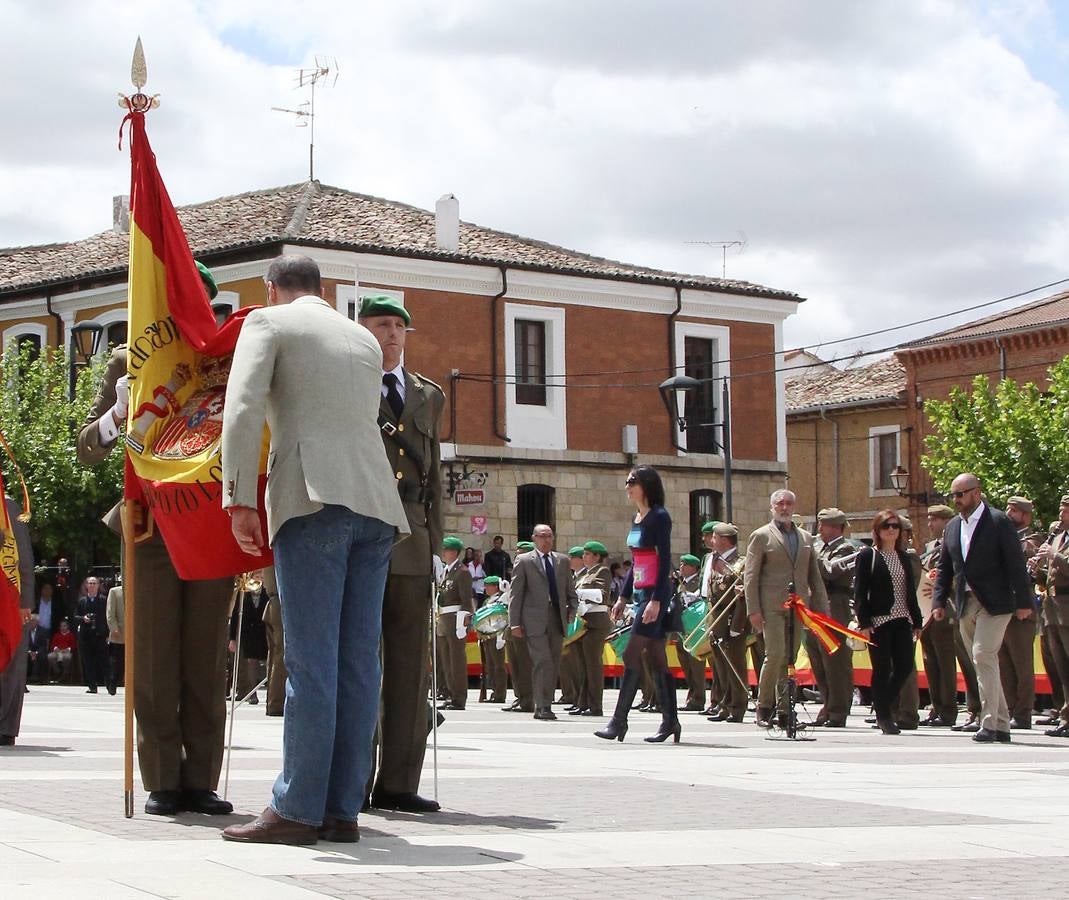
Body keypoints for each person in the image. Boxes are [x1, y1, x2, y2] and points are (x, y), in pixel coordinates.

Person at [220, 254, 409, 844]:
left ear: (271, 290)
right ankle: (339, 808)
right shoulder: (363, 338)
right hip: (377, 503)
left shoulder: (267, 323)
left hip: (311, 497)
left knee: (309, 659)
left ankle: (297, 807)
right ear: (322, 290)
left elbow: (244, 405)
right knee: (357, 662)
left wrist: (238, 497)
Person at [77, 261, 234, 816]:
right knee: (152, 656)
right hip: (149, 525)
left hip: (209, 523)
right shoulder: (128, 361)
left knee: (204, 657)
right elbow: (86, 448)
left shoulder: (224, 361)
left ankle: (202, 779)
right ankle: (163, 778)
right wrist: (117, 416)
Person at [358, 294, 445, 812]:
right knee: (362, 660)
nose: (391, 334)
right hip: (363, 526)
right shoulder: (348, 383)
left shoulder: (427, 395)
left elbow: (434, 476)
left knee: (412, 666)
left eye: (398, 326)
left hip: (412, 535)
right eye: (381, 324)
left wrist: (436, 540)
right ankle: (355, 777)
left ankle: (399, 783)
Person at [932, 473, 1033, 744]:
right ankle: (1001, 724)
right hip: (965, 603)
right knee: (981, 662)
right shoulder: (953, 527)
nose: (956, 500)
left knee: (982, 655)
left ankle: (989, 723)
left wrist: (1024, 602)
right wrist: (938, 602)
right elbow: (945, 567)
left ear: (976, 493)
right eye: (952, 495)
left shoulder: (998, 522)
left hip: (995, 603)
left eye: (960, 494)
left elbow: (1015, 564)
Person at [596, 466, 678, 743]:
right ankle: (671, 722)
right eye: (627, 481)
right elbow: (636, 564)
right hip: (642, 593)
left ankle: (619, 722)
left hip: (655, 594)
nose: (627, 486)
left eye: (633, 482)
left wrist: (656, 599)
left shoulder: (660, 517)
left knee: (631, 654)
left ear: (647, 485)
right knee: (656, 658)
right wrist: (622, 597)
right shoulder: (637, 517)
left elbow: (664, 560)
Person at [744, 489, 828, 728]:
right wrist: (754, 610)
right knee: (776, 654)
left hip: (798, 606)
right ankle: (763, 706)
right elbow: (751, 576)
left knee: (790, 658)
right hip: (771, 605)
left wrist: (822, 611)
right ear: (772, 507)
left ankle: (785, 710)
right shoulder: (761, 536)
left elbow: (815, 577)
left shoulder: (805, 538)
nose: (784, 507)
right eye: (779, 504)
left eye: (788, 503)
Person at [854, 510, 923, 735]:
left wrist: (917, 620)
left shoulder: (904, 556)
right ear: (878, 531)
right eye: (886, 526)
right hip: (879, 620)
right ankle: (884, 716)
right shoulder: (868, 555)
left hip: (902, 618)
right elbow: (860, 591)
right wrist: (864, 622)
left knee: (904, 666)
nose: (891, 530)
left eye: (895, 526)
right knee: (881, 669)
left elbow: (910, 590)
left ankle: (882, 704)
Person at [510, 524, 578, 721]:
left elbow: (570, 589)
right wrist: (514, 622)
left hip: (557, 618)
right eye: (542, 536)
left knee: (554, 662)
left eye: (550, 536)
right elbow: (516, 593)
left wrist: (572, 610)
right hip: (533, 620)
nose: (547, 540)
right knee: (542, 661)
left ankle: (545, 702)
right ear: (534, 538)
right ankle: (542, 706)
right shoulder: (524, 561)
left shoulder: (562, 561)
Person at [918, 505, 967, 727]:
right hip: (928, 611)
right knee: (931, 661)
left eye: (935, 520)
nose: (930, 524)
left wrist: (942, 586)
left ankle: (948, 709)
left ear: (947, 521)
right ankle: (936, 707)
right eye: (929, 519)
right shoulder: (930, 546)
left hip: (946, 608)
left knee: (946, 663)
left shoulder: (956, 542)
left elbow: (958, 573)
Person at [809, 508, 858, 727]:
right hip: (815, 607)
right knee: (818, 660)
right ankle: (827, 704)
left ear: (837, 527)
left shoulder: (846, 548)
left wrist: (811, 554)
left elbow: (831, 572)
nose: (819, 529)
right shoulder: (819, 546)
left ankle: (838, 710)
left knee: (835, 663)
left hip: (835, 608)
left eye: (824, 525)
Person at [999, 496, 1043, 729]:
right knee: (1004, 664)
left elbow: (1025, 559)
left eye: (1013, 511)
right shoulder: (1005, 537)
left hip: (1022, 611)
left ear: (1025, 516)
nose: (1008, 514)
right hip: (1003, 609)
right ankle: (1008, 709)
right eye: (1007, 509)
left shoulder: (1031, 538)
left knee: (1021, 665)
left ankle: (1023, 713)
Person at [1031, 494, 1069, 737]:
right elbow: (1052, 573)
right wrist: (1039, 569)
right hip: (1052, 606)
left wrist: (1055, 556)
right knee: (1060, 665)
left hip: (1067, 604)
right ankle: (1065, 715)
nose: (1061, 512)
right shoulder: (1058, 537)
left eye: (1065, 508)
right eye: (1061, 507)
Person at [705, 523, 749, 723]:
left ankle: (737, 706)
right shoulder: (715, 560)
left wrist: (737, 625)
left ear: (723, 539)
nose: (710, 541)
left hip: (732, 618)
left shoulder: (740, 562)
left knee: (734, 664)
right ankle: (724, 703)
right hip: (717, 618)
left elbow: (742, 596)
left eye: (713, 537)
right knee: (721, 665)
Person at [0, 493, 34, 746]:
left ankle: (6, 726)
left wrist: (25, 604)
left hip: (9, 596)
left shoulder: (8, 506)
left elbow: (23, 558)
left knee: (11, 663)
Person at [571, 541, 613, 717]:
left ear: (597, 556)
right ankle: (583, 703)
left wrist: (579, 594)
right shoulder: (584, 575)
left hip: (596, 622)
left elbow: (601, 595)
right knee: (582, 666)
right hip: (583, 622)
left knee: (593, 666)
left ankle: (596, 706)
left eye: (588, 554)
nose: (584, 557)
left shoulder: (602, 571)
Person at [435, 536, 474, 711]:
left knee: (456, 661)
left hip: (455, 620)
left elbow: (466, 600)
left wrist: (463, 623)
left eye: (446, 549)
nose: (443, 552)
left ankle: (459, 698)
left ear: (454, 552)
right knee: (446, 661)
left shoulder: (462, 572)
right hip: (443, 620)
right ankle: (451, 694)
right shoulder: (446, 571)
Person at [672, 554, 708, 713]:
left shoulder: (697, 581)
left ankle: (698, 698)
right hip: (682, 628)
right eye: (681, 564)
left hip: (694, 627)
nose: (682, 567)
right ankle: (691, 695)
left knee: (695, 665)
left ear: (694, 567)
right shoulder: (681, 583)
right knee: (686, 665)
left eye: (685, 565)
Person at [503, 541, 535, 713]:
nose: (517, 558)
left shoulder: (533, 575)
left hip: (524, 624)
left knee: (524, 664)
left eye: (521, 554)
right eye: (517, 554)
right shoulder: (517, 573)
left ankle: (528, 700)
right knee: (514, 665)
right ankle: (520, 697)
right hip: (512, 625)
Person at [228, 583, 268, 705]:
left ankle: (272, 694)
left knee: (269, 663)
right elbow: (236, 615)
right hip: (249, 634)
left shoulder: (268, 592)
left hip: (264, 632)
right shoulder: (244, 592)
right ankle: (252, 694)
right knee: (251, 662)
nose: (258, 577)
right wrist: (232, 638)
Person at [560, 546, 587, 711]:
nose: (570, 560)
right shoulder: (574, 576)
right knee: (571, 664)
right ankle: (576, 698)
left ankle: (581, 699)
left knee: (578, 663)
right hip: (572, 624)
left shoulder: (587, 575)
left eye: (573, 557)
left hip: (582, 624)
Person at [74, 577, 111, 695]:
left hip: (100, 635)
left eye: (94, 583)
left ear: (98, 585)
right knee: (88, 661)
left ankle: (109, 685)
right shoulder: (82, 601)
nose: (92, 585)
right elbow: (75, 616)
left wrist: (107, 633)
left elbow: (108, 617)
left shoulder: (104, 600)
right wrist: (83, 618)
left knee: (104, 661)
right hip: (86, 636)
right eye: (90, 583)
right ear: (86, 586)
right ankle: (92, 686)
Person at [260, 567, 286, 717]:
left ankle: (274, 702)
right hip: (280, 600)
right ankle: (277, 703)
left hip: (273, 600)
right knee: (282, 654)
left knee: (276, 654)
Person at [479, 576, 508, 703]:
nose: (486, 588)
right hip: (487, 636)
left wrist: (501, 637)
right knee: (490, 666)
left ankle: (500, 694)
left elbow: (502, 618)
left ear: (495, 587)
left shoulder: (500, 600)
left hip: (496, 635)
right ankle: (494, 691)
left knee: (498, 666)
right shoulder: (487, 601)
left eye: (488, 586)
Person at [30, 583, 55, 684]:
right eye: (45, 588)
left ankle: (44, 677)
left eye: (49, 588)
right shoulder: (36, 602)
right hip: (36, 629)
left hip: (49, 631)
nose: (47, 591)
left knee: (44, 654)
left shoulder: (55, 603)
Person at [105, 580, 125, 690]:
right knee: (116, 661)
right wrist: (114, 628)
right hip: (119, 633)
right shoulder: (114, 592)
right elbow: (110, 613)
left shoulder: (137, 590)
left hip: (133, 634)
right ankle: (112, 681)